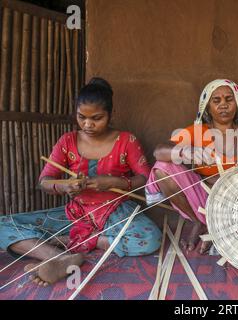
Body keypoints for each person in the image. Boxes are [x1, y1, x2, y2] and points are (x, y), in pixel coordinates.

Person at [0, 78, 161, 286]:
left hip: (115, 211)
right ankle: (57, 258)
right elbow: (44, 181)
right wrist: (65, 185)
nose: (87, 124)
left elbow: (145, 178)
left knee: (150, 238)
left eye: (97, 118)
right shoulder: (67, 141)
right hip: (75, 214)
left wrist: (115, 182)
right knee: (4, 225)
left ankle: (80, 242)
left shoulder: (126, 140)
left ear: (111, 114)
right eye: (81, 117)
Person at [147, 79, 238, 254]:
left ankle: (216, 228)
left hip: (234, 205)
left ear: (237, 104)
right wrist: (186, 151)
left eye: (229, 100)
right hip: (201, 198)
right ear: (207, 107)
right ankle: (198, 221)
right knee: (163, 167)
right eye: (216, 100)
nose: (223, 105)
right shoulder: (197, 131)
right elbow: (159, 151)